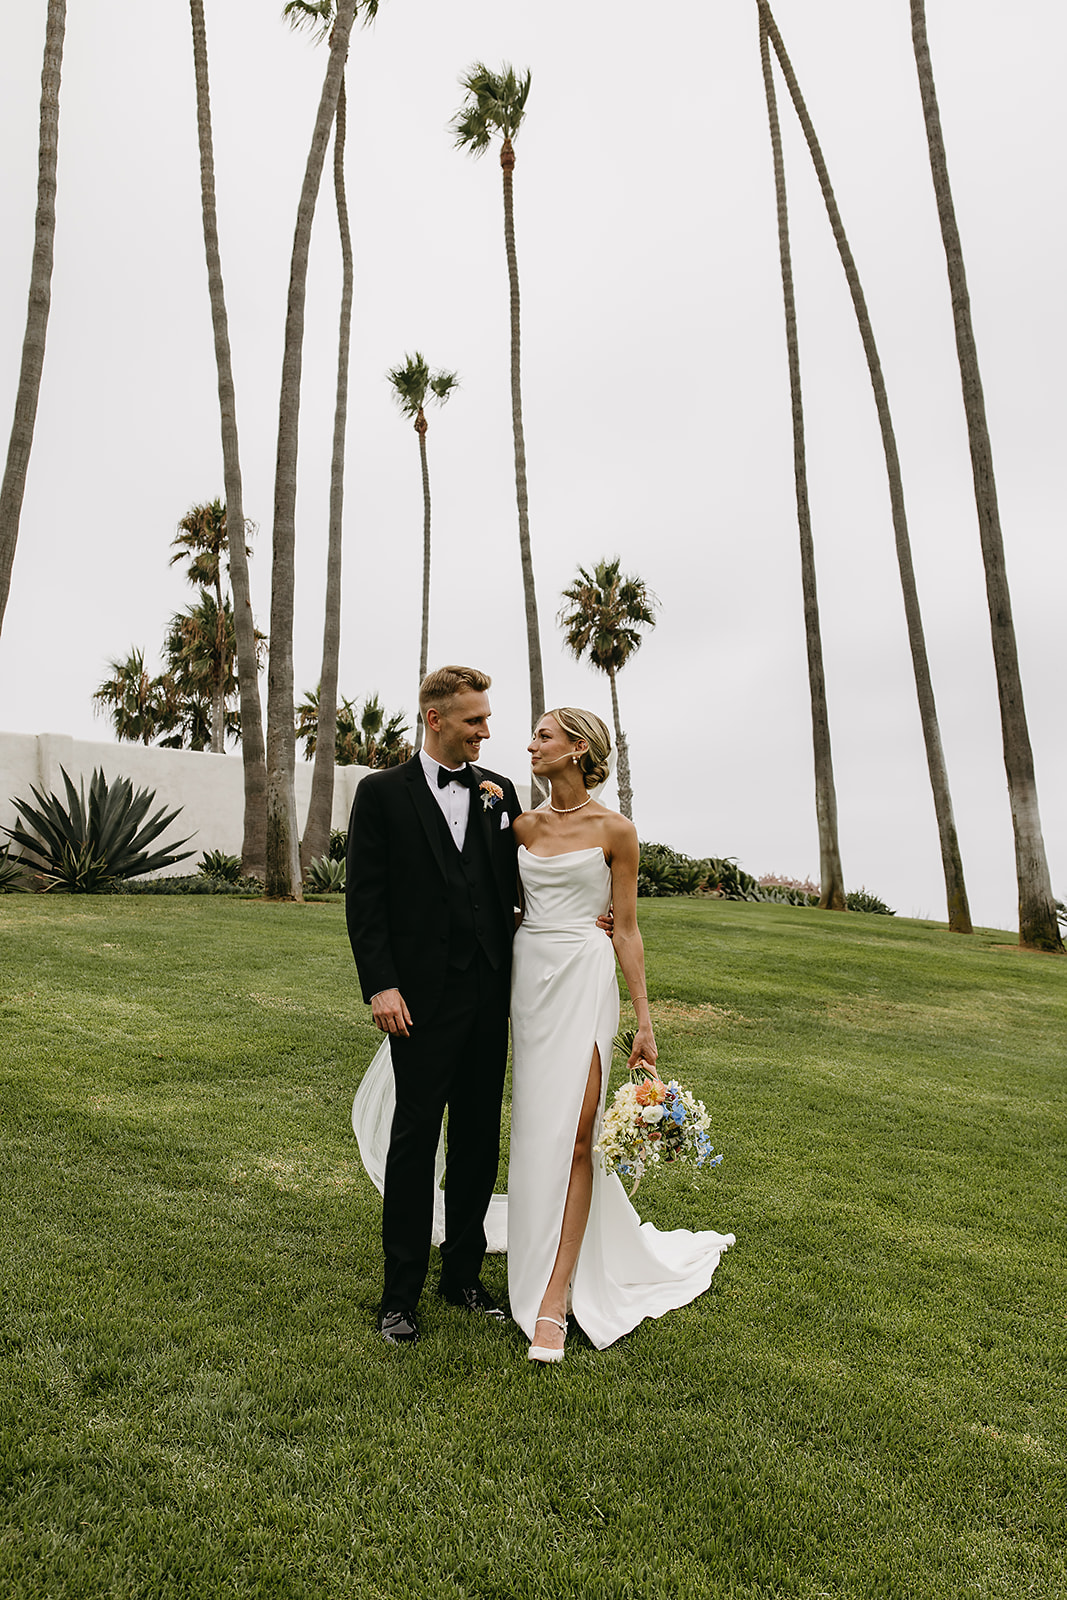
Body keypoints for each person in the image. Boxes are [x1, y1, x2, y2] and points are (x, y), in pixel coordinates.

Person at [508, 707, 734, 1360]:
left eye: (543, 736)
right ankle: (534, 1240)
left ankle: (554, 1298)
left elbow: (627, 928)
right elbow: (503, 904)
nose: (531, 745)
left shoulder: (616, 830)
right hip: (530, 981)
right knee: (535, 1130)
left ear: (576, 749)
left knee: (580, 1132)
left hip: (585, 979)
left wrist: (644, 1020)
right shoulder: (520, 826)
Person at [345, 666, 523, 1346]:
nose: (485, 730)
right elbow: (365, 900)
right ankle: (399, 1296)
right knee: (416, 1140)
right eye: (474, 720)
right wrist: (379, 985)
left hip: (488, 995)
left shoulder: (497, 792)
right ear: (435, 720)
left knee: (479, 1137)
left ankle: (463, 1278)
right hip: (417, 999)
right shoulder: (382, 793)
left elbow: (516, 884)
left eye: (486, 718)